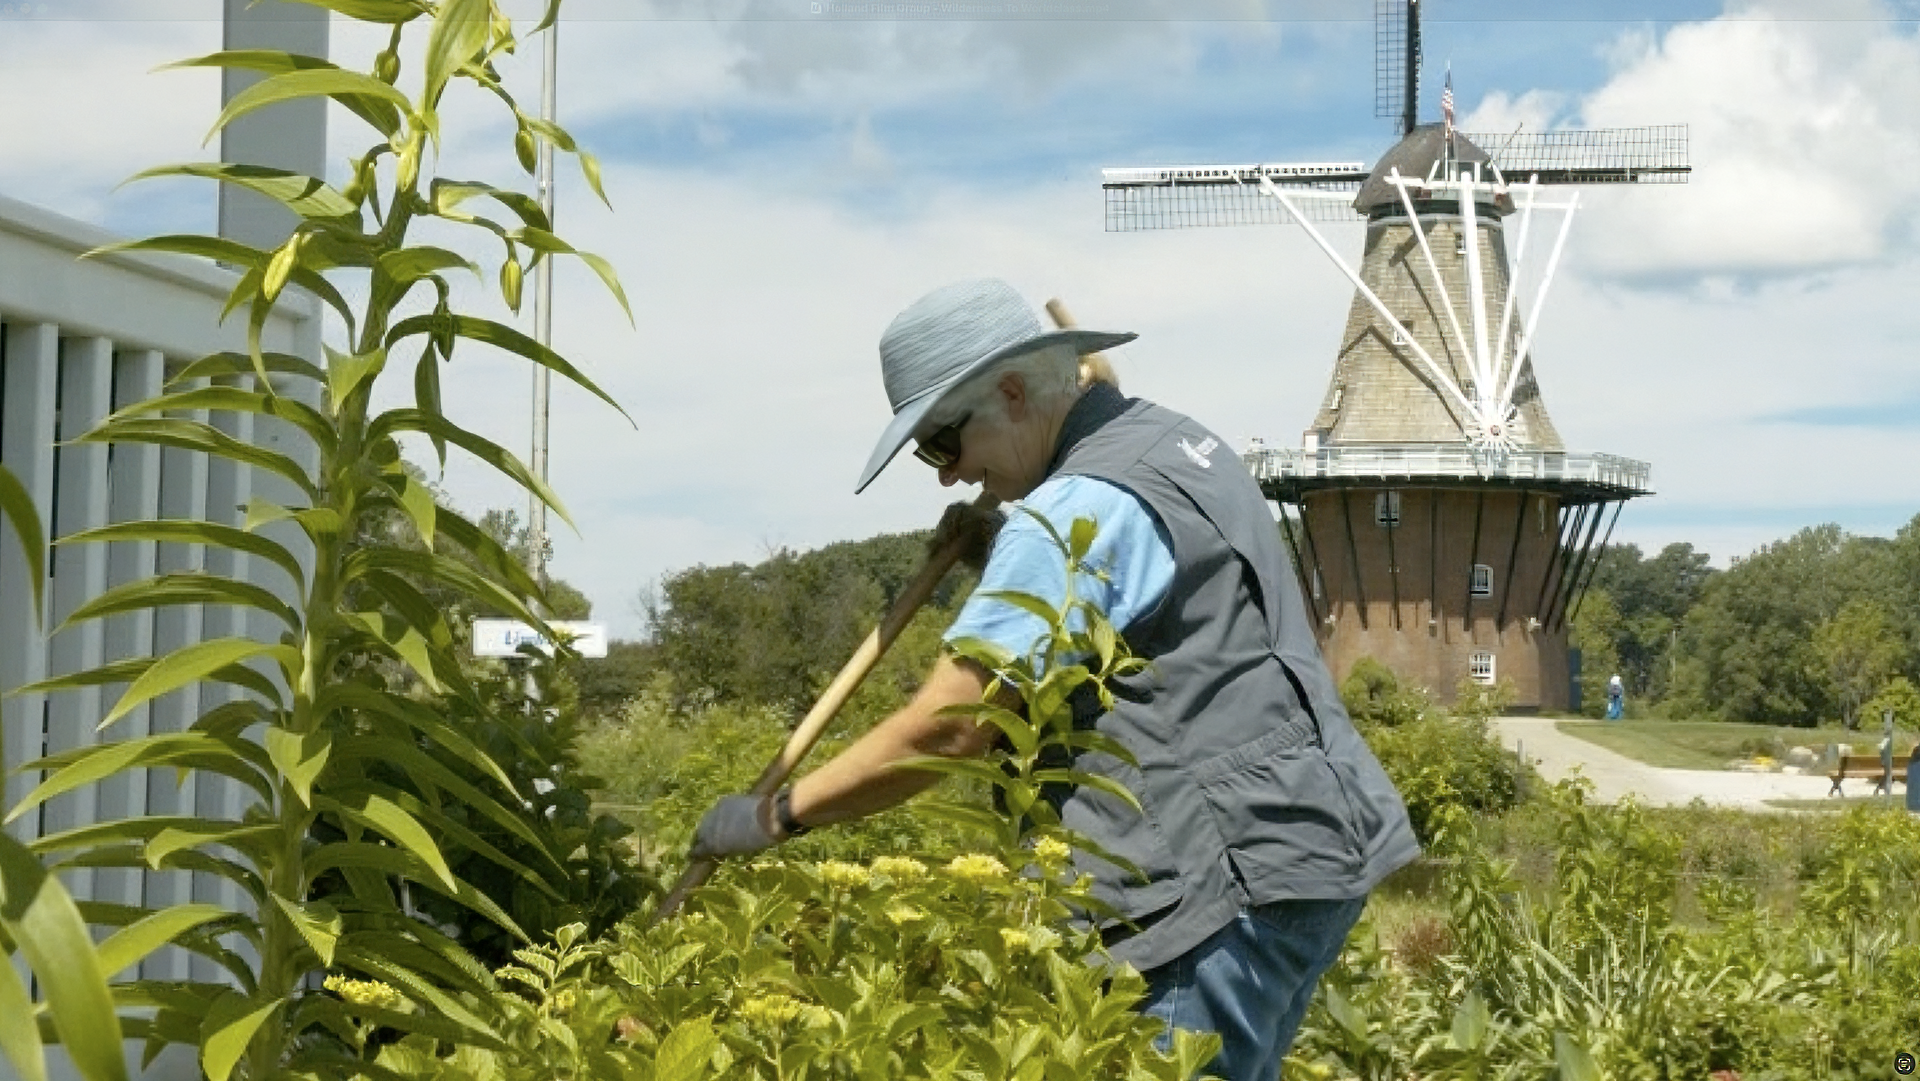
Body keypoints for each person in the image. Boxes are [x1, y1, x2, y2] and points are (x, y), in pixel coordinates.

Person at [690, 279, 1420, 1081]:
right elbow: (1159, 608)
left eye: (942, 441)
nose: (944, 474)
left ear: (1010, 390)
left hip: (1209, 889)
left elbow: (950, 726)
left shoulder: (1072, 511)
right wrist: (992, 552)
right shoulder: (1174, 446)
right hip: (1308, 844)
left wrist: (775, 814)